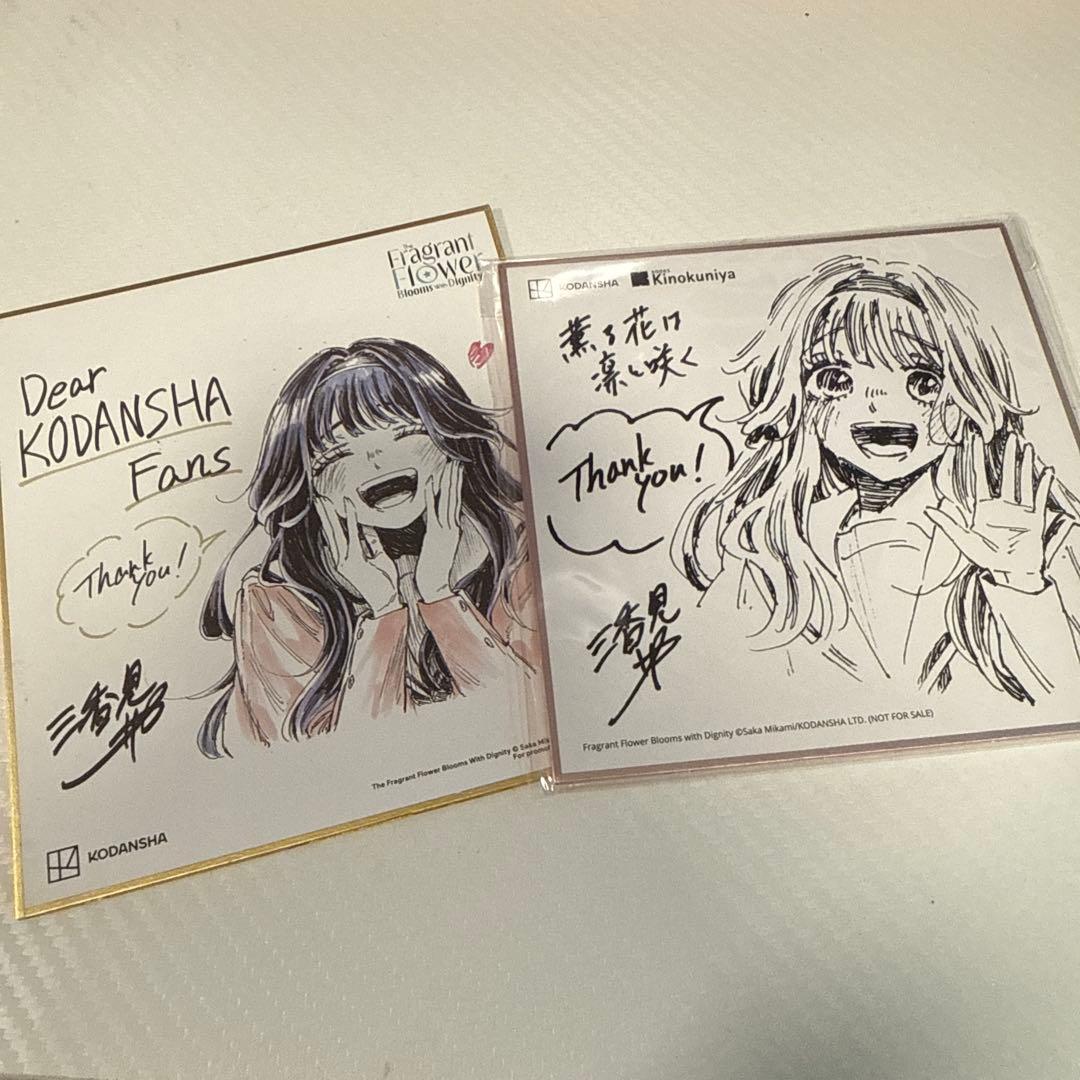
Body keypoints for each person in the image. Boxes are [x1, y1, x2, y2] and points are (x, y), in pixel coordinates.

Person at [673, 255, 1080, 702]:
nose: (877, 405)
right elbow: (709, 693)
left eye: (923, 382)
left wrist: (1021, 583)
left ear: (971, 395)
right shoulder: (769, 547)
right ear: (795, 399)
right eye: (835, 379)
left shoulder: (1041, 536)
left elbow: (1064, 701)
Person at [198, 337, 536, 758]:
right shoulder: (278, 601)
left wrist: (439, 596)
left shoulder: (521, 550)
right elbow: (329, 768)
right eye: (336, 453)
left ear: (452, 442)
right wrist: (384, 614)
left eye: (405, 432)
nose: (376, 459)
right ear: (309, 485)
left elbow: (532, 724)